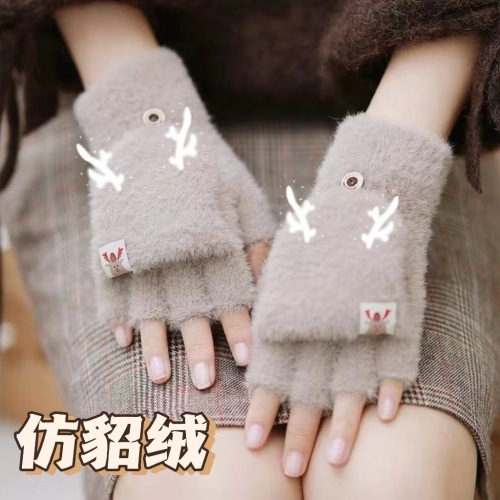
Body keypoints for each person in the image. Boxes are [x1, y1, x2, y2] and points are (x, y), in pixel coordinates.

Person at [0, 1, 499, 498]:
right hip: (100, 67)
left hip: (424, 95)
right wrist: (141, 114)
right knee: (205, 481)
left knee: (393, 475)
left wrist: (384, 175)